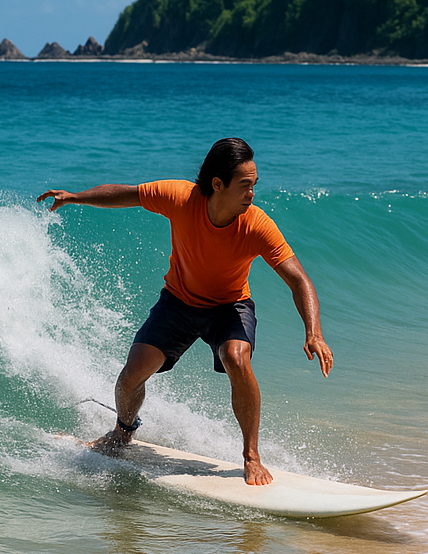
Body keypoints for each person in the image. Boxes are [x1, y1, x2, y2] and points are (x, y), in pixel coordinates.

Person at [37, 137, 333, 485]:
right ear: (217, 185)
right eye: (245, 186)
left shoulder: (256, 225)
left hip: (230, 305)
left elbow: (299, 280)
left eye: (255, 185)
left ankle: (251, 455)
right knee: (130, 377)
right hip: (178, 301)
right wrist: (75, 197)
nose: (252, 193)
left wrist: (313, 331)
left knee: (237, 358)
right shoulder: (180, 198)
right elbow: (128, 194)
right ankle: (122, 432)